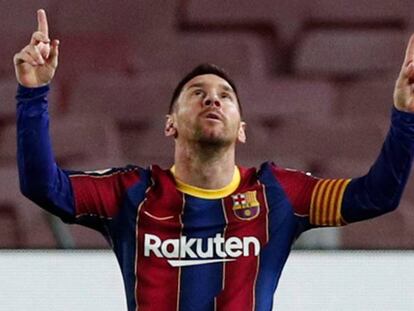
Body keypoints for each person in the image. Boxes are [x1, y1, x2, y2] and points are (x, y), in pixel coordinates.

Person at [13, 9, 414, 311]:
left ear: (241, 128)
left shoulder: (277, 194)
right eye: (197, 93)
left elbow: (376, 196)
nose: (212, 98)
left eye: (225, 95)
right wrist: (33, 95)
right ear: (170, 125)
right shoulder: (131, 194)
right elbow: (42, 186)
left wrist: (405, 115)